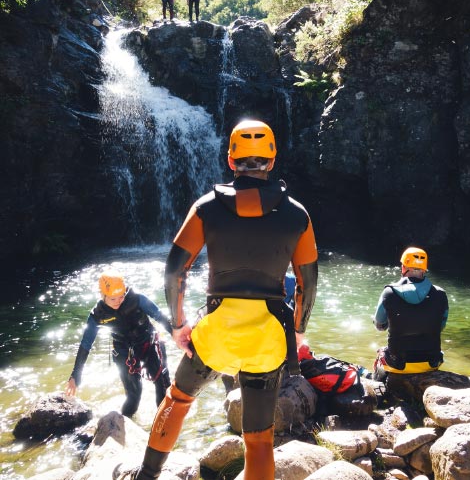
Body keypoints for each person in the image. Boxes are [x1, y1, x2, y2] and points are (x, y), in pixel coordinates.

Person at [131, 120, 318, 480]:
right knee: (259, 439)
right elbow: (307, 285)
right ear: (272, 159)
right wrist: (297, 332)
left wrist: (178, 324)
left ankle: (147, 475)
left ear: (231, 159)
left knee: (178, 399)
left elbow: (174, 272)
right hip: (266, 339)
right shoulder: (298, 215)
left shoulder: (206, 208)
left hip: (216, 334)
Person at [65, 271, 172, 417]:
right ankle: (121, 427)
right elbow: (86, 344)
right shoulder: (98, 314)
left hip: (149, 344)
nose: (118, 301)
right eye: (113, 298)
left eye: (121, 296)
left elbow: (160, 317)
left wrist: (179, 336)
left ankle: (164, 426)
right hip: (124, 351)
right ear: (103, 296)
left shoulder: (137, 299)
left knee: (162, 386)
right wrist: (75, 375)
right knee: (134, 397)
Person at [373, 247, 448, 379]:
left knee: (380, 352)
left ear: (403, 267)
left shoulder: (389, 292)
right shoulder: (441, 294)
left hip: (398, 364)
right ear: (424, 270)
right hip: (432, 362)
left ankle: (379, 388)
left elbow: (379, 326)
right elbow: (441, 326)